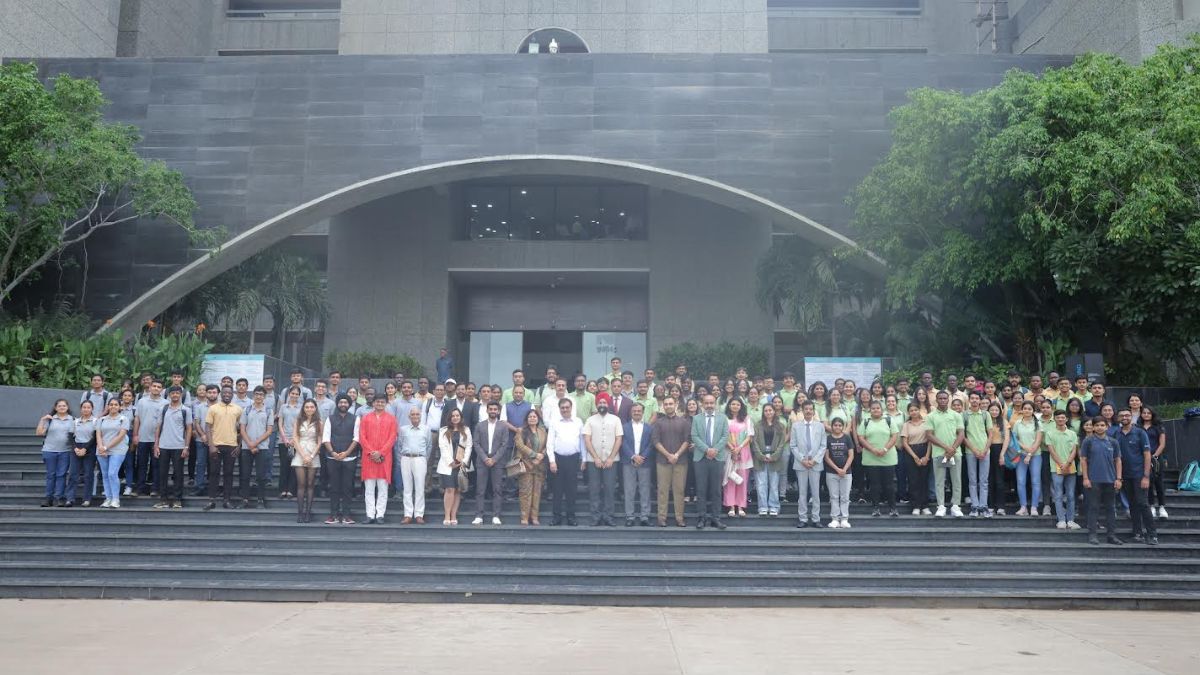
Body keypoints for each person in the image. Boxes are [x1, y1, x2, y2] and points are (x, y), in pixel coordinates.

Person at [1112, 409, 1158, 545]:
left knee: (1143, 504)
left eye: (1127, 415)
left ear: (1131, 417)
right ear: (1118, 418)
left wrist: (1146, 476)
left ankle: (1152, 534)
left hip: (1139, 475)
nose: (1124, 417)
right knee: (1132, 505)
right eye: (1122, 415)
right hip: (1125, 476)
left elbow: (1147, 454)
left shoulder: (1140, 432)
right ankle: (1137, 533)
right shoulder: (1116, 434)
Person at [1080, 417, 1123, 546]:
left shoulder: (1113, 442)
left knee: (1111, 508)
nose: (1099, 427)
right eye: (1097, 425)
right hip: (1093, 480)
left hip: (1110, 480)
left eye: (1102, 425)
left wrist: (1119, 478)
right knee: (1093, 508)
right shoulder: (1088, 441)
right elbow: (1083, 460)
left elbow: (1118, 460)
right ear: (1093, 427)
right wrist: (1086, 478)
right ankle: (1092, 535)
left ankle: (1111, 535)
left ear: (1107, 427)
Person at [690, 394, 729, 530]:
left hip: (717, 458)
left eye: (712, 403)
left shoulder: (723, 418)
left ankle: (715, 518)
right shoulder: (696, 419)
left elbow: (725, 436)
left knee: (716, 490)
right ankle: (701, 518)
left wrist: (714, 450)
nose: (709, 405)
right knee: (701, 489)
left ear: (715, 404)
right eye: (706, 403)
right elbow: (694, 436)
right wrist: (707, 450)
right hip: (701, 458)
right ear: (702, 404)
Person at [583, 392, 622, 526]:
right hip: (593, 461)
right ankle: (595, 517)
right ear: (597, 404)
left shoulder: (616, 419)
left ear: (608, 404)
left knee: (609, 489)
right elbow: (587, 439)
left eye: (604, 402)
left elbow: (619, 439)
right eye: (600, 402)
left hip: (612, 461)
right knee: (594, 489)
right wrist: (596, 458)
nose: (602, 405)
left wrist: (611, 457)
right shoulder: (590, 420)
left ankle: (608, 516)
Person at [652, 396, 691, 527]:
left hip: (680, 461)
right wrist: (668, 455)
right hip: (663, 461)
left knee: (679, 491)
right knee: (662, 490)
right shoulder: (658, 422)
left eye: (671, 403)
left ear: (676, 404)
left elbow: (687, 440)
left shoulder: (684, 422)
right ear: (663, 406)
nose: (668, 406)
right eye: (666, 404)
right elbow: (655, 441)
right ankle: (661, 518)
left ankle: (679, 518)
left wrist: (677, 455)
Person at [359, 395, 397, 524]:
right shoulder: (365, 418)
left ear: (386, 403)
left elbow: (392, 437)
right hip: (368, 458)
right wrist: (372, 453)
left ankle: (380, 514)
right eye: (377, 402)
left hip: (384, 458)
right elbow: (362, 437)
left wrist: (381, 453)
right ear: (373, 403)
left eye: (382, 402)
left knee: (383, 488)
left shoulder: (391, 419)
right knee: (369, 488)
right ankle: (370, 515)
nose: (380, 404)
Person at [203, 386, 243, 511]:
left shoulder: (238, 409)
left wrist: (239, 445)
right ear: (221, 394)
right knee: (213, 473)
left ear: (233, 394)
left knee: (229, 474)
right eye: (224, 392)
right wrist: (211, 445)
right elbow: (208, 427)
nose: (227, 394)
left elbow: (242, 429)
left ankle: (227, 500)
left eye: (229, 393)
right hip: (216, 446)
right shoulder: (213, 408)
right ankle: (211, 501)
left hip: (231, 446)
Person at [926, 391, 965, 517]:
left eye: (945, 398)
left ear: (948, 400)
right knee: (939, 481)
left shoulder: (956, 415)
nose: (943, 400)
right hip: (939, 453)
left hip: (955, 453)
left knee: (956, 480)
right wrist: (946, 448)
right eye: (940, 398)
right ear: (936, 400)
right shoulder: (931, 416)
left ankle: (955, 506)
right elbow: (929, 435)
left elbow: (961, 434)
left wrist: (952, 449)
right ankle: (941, 506)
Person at [321, 394, 359, 524]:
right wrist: (333, 452)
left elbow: (356, 438)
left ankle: (347, 515)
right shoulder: (330, 419)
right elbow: (325, 438)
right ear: (337, 404)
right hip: (333, 458)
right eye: (341, 402)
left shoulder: (355, 419)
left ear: (349, 404)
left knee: (348, 487)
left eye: (346, 402)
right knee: (334, 487)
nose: (343, 404)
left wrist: (346, 453)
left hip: (350, 458)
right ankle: (334, 515)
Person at [153, 386, 193, 509]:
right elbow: (158, 427)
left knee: (178, 474)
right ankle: (163, 499)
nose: (175, 395)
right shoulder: (163, 409)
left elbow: (189, 429)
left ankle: (177, 499)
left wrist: (186, 446)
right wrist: (156, 445)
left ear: (180, 394)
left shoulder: (185, 410)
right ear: (169, 395)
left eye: (177, 393)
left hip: (179, 446)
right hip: (164, 446)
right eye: (173, 393)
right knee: (162, 473)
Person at [471, 401, 510, 525]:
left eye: (495, 409)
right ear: (487, 410)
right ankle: (479, 515)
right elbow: (475, 443)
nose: (493, 411)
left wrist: (494, 459)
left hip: (497, 462)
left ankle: (496, 515)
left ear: (498, 411)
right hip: (482, 461)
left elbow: (504, 444)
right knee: (480, 490)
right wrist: (485, 458)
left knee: (497, 489)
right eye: (491, 409)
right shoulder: (479, 426)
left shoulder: (503, 426)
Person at [858, 400, 899, 518]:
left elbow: (894, 436)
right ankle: (876, 508)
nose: (876, 410)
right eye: (873, 408)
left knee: (889, 485)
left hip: (888, 458)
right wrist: (872, 449)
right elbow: (861, 438)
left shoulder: (889, 420)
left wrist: (885, 449)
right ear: (870, 410)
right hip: (871, 458)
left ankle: (893, 508)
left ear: (882, 409)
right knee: (874, 485)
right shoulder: (866, 422)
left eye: (878, 408)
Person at [546, 398, 584, 526]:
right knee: (557, 490)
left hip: (573, 459)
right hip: (558, 459)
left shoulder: (578, 422)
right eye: (562, 408)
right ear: (559, 409)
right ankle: (556, 517)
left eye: (567, 407)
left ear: (571, 408)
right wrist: (552, 461)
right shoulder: (554, 422)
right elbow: (549, 443)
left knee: (571, 490)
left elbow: (582, 442)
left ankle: (571, 517)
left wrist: (584, 459)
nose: (565, 410)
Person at [790, 401, 826, 527]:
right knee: (802, 492)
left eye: (811, 409)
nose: (809, 411)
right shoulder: (795, 426)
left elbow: (823, 445)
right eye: (806, 409)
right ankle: (803, 518)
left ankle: (816, 518)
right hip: (801, 464)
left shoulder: (820, 426)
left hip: (815, 463)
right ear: (802, 410)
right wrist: (802, 459)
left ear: (814, 411)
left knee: (816, 492)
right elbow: (793, 445)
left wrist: (815, 460)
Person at [238, 387, 274, 509]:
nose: (259, 396)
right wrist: (249, 444)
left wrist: (255, 443)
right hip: (246, 447)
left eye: (261, 394)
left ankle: (260, 500)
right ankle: (245, 500)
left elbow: (269, 431)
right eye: (257, 394)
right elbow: (242, 429)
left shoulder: (269, 411)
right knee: (245, 475)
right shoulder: (247, 410)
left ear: (264, 396)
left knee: (261, 476)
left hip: (262, 447)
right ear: (253, 395)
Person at [1044, 409, 1080, 530]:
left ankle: (1070, 520)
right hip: (1056, 468)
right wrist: (1061, 464)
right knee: (1058, 495)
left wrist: (1068, 462)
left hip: (1071, 467)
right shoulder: (1050, 433)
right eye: (1058, 417)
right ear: (1054, 419)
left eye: (1063, 417)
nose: (1060, 419)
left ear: (1067, 419)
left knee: (1070, 495)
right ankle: (1061, 520)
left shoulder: (1072, 434)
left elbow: (1074, 450)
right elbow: (1051, 450)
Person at [752, 402, 788, 517]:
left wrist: (774, 456)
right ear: (763, 412)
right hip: (760, 458)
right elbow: (754, 442)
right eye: (766, 410)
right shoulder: (758, 425)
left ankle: (774, 506)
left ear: (774, 411)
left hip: (775, 459)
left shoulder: (780, 426)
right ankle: (762, 506)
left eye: (770, 410)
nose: (768, 412)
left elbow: (782, 444)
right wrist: (761, 456)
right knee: (761, 484)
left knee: (773, 484)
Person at [620, 403, 654, 526]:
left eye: (639, 411)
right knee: (629, 490)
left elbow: (651, 444)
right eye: (634, 411)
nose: (637, 413)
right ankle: (630, 516)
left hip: (644, 462)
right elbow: (622, 443)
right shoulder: (624, 427)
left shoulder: (649, 428)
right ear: (631, 412)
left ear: (643, 412)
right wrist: (633, 456)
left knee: (645, 490)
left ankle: (645, 516)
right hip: (628, 461)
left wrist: (642, 457)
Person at [132, 380, 167, 496]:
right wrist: (135, 435)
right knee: (141, 464)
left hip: (158, 439)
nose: (156, 388)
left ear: (162, 389)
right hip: (143, 437)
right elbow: (137, 419)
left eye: (159, 387)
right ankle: (139, 488)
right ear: (150, 387)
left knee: (156, 464)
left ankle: (155, 488)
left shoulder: (166, 403)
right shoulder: (142, 401)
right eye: (154, 386)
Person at [436, 407, 471, 526]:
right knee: (449, 489)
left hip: (461, 465)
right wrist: (450, 462)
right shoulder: (443, 430)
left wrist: (464, 461)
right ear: (450, 418)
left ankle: (454, 515)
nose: (455, 418)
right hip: (448, 465)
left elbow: (469, 446)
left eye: (457, 416)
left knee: (458, 490)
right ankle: (447, 515)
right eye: (453, 416)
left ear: (460, 417)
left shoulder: (466, 430)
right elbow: (443, 447)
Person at [513, 409, 547, 525]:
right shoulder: (521, 431)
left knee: (537, 492)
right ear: (527, 419)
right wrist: (534, 455)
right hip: (526, 464)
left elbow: (547, 445)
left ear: (538, 419)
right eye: (530, 417)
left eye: (534, 417)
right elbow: (520, 445)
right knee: (525, 492)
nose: (532, 418)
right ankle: (525, 517)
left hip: (539, 465)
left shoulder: (543, 431)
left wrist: (542, 455)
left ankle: (534, 517)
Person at [37, 399, 75, 507]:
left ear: (67, 407)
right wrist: (42, 420)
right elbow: (39, 433)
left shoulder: (72, 420)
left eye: (64, 405)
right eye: (59, 406)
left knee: (61, 475)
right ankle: (48, 498)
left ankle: (59, 497)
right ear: (55, 407)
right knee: (50, 475)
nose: (62, 407)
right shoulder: (50, 419)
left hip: (65, 451)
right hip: (49, 450)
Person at [289, 399, 321, 523]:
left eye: (311, 407)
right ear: (303, 408)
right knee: (301, 484)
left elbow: (320, 441)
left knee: (310, 484)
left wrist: (311, 456)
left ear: (315, 408)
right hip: (300, 452)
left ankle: (308, 512)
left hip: (313, 453)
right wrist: (303, 455)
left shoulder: (319, 422)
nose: (309, 409)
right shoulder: (298, 421)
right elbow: (295, 438)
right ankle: (300, 513)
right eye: (307, 407)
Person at [962, 392, 992, 517]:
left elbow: (990, 434)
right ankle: (974, 506)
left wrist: (985, 450)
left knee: (984, 481)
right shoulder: (964, 415)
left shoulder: (986, 414)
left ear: (980, 400)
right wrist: (974, 450)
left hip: (985, 451)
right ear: (969, 400)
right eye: (972, 398)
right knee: (973, 480)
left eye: (976, 398)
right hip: (970, 451)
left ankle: (983, 506)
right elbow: (962, 436)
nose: (974, 400)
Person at [1011, 401, 1043, 517]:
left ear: (1033, 411)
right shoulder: (1017, 423)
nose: (1027, 410)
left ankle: (1034, 507)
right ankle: (1023, 506)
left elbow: (1038, 441)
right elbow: (1015, 439)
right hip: (1020, 455)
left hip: (1035, 455)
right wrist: (1025, 449)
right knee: (1020, 481)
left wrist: (1029, 454)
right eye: (1025, 408)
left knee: (1035, 481)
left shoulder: (1038, 423)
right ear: (1022, 410)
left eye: (1030, 409)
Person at [96, 398, 129, 509]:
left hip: (117, 450)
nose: (113, 406)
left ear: (120, 407)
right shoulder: (101, 420)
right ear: (108, 406)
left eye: (116, 404)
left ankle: (115, 499)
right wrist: (101, 447)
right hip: (101, 450)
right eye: (111, 404)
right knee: (105, 475)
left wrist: (106, 447)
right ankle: (108, 498)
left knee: (112, 473)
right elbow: (98, 434)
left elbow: (121, 436)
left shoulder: (124, 419)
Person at [722, 398, 753, 518]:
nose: (735, 406)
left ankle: (740, 506)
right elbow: (723, 435)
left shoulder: (746, 418)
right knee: (730, 479)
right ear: (729, 406)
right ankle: (730, 506)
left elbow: (749, 436)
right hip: (729, 452)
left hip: (743, 453)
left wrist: (739, 448)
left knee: (742, 480)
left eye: (737, 404)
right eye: (733, 404)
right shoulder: (725, 419)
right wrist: (732, 448)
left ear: (741, 406)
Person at [823, 418, 856, 529]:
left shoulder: (847, 438)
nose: (837, 427)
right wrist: (837, 469)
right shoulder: (828, 438)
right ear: (832, 426)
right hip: (832, 472)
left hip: (846, 473)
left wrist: (844, 469)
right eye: (835, 425)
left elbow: (851, 455)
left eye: (840, 425)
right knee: (834, 496)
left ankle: (845, 519)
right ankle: (835, 519)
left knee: (845, 497)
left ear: (843, 426)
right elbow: (826, 457)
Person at [900, 403, 932, 515]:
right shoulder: (906, 425)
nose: (914, 412)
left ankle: (925, 506)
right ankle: (916, 506)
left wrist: (927, 456)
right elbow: (904, 442)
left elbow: (930, 440)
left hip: (925, 450)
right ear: (909, 413)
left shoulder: (926, 423)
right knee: (913, 480)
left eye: (916, 410)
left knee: (924, 480)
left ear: (919, 411)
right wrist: (915, 457)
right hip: (911, 452)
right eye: (911, 410)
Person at [67, 400, 98, 507]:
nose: (86, 409)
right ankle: (70, 498)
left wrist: (85, 449)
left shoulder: (95, 421)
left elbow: (95, 437)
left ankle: (87, 499)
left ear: (92, 409)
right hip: (76, 448)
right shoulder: (75, 421)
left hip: (89, 448)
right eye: (84, 407)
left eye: (88, 407)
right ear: (81, 409)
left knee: (88, 474)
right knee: (73, 474)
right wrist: (75, 448)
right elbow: (70, 436)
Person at [1138, 406, 1168, 518]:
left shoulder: (1158, 427)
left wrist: (1154, 456)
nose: (1146, 415)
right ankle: (1151, 506)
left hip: (1156, 458)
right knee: (1148, 483)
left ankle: (1162, 507)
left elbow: (1162, 444)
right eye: (1144, 413)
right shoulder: (1138, 427)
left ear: (1152, 414)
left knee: (1158, 482)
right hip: (1142, 458)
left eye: (1148, 413)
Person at [275, 386, 302, 499]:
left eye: (296, 394)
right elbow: (280, 423)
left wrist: (293, 439)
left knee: (294, 465)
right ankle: (282, 490)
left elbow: (301, 424)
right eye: (293, 393)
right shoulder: (283, 407)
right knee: (284, 465)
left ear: (299, 395)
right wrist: (285, 438)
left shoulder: (301, 408)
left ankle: (291, 490)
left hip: (296, 440)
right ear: (289, 394)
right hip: (283, 440)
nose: (294, 395)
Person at [985, 402, 1008, 516]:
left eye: (996, 410)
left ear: (1000, 411)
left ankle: (1000, 506)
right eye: (992, 410)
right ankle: (990, 505)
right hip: (987, 450)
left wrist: (1002, 454)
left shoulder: (1003, 422)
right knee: (989, 479)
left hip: (999, 450)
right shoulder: (985, 421)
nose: (994, 412)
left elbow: (1007, 439)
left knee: (999, 480)